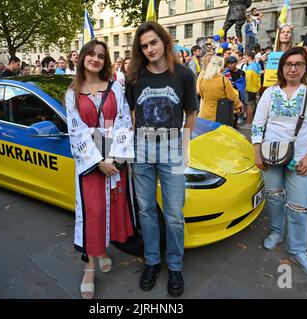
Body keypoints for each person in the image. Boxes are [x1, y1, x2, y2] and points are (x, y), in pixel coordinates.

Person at [125, 21, 198, 297]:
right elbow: (130, 112)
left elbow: (191, 113)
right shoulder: (134, 76)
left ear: (164, 42)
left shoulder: (183, 74)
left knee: (174, 213)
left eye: (153, 42)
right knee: (146, 210)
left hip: (172, 148)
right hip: (141, 148)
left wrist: (184, 146)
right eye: (143, 46)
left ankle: (175, 266)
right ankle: (153, 262)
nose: (149, 49)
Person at [65, 39, 135, 299]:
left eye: (101, 56)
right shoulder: (72, 93)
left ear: (105, 61)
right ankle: (89, 267)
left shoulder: (115, 87)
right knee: (92, 211)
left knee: (111, 207)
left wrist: (115, 158)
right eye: (91, 54)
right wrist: (98, 161)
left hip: (114, 157)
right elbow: (77, 132)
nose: (95, 59)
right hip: (91, 163)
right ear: (83, 57)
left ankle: (104, 250)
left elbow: (124, 120)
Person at [252, 47, 307, 276]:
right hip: (270, 156)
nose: (293, 69)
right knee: (274, 198)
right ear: (281, 67)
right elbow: (258, 124)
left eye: (298, 64)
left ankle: (297, 250)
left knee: (299, 206)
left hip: (301, 160)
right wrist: (257, 153)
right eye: (288, 64)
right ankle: (276, 232)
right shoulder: (270, 92)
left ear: (306, 67)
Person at [198, 55, 241, 122]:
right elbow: (232, 97)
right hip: (220, 114)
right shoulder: (224, 80)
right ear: (220, 67)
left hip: (205, 114)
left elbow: (202, 95)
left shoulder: (203, 79)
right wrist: (239, 107)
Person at [224, 56, 246, 127]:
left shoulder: (241, 73)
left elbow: (243, 84)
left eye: (232, 63)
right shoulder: (226, 72)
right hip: (229, 94)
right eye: (229, 63)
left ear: (236, 63)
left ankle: (236, 124)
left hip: (238, 94)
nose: (230, 65)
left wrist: (236, 86)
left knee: (237, 110)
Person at [243, 51, 261, 129]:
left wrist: (245, 88)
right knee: (252, 105)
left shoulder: (251, 67)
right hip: (254, 88)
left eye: (245, 57)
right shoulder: (256, 65)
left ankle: (249, 123)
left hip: (249, 88)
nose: (244, 58)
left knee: (249, 105)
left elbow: (248, 79)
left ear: (249, 57)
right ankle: (250, 122)